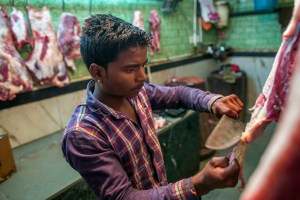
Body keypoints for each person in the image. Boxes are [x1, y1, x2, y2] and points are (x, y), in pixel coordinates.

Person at [61, 14, 243, 199]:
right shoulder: (83, 135)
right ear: (97, 72)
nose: (142, 77)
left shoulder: (138, 93)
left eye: (143, 66)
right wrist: (200, 183)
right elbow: (123, 196)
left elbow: (178, 94)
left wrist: (212, 101)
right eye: (130, 69)